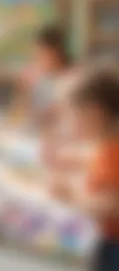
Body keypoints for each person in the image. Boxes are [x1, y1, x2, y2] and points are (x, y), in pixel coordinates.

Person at [50, 67, 119, 271]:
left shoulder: (112, 153)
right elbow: (97, 158)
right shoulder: (108, 143)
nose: (66, 124)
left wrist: (70, 197)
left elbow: (109, 205)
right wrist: (74, 159)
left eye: (70, 116)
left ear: (94, 115)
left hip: (112, 246)